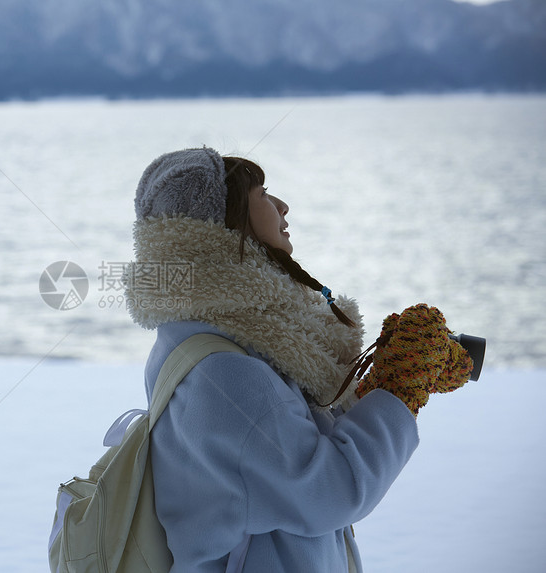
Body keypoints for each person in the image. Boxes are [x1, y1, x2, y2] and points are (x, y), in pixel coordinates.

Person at [122, 147, 472, 573]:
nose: (283, 206)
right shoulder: (224, 372)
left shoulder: (199, 337)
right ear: (221, 227)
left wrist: (380, 385)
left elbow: (282, 449)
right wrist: (399, 389)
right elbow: (330, 491)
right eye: (263, 194)